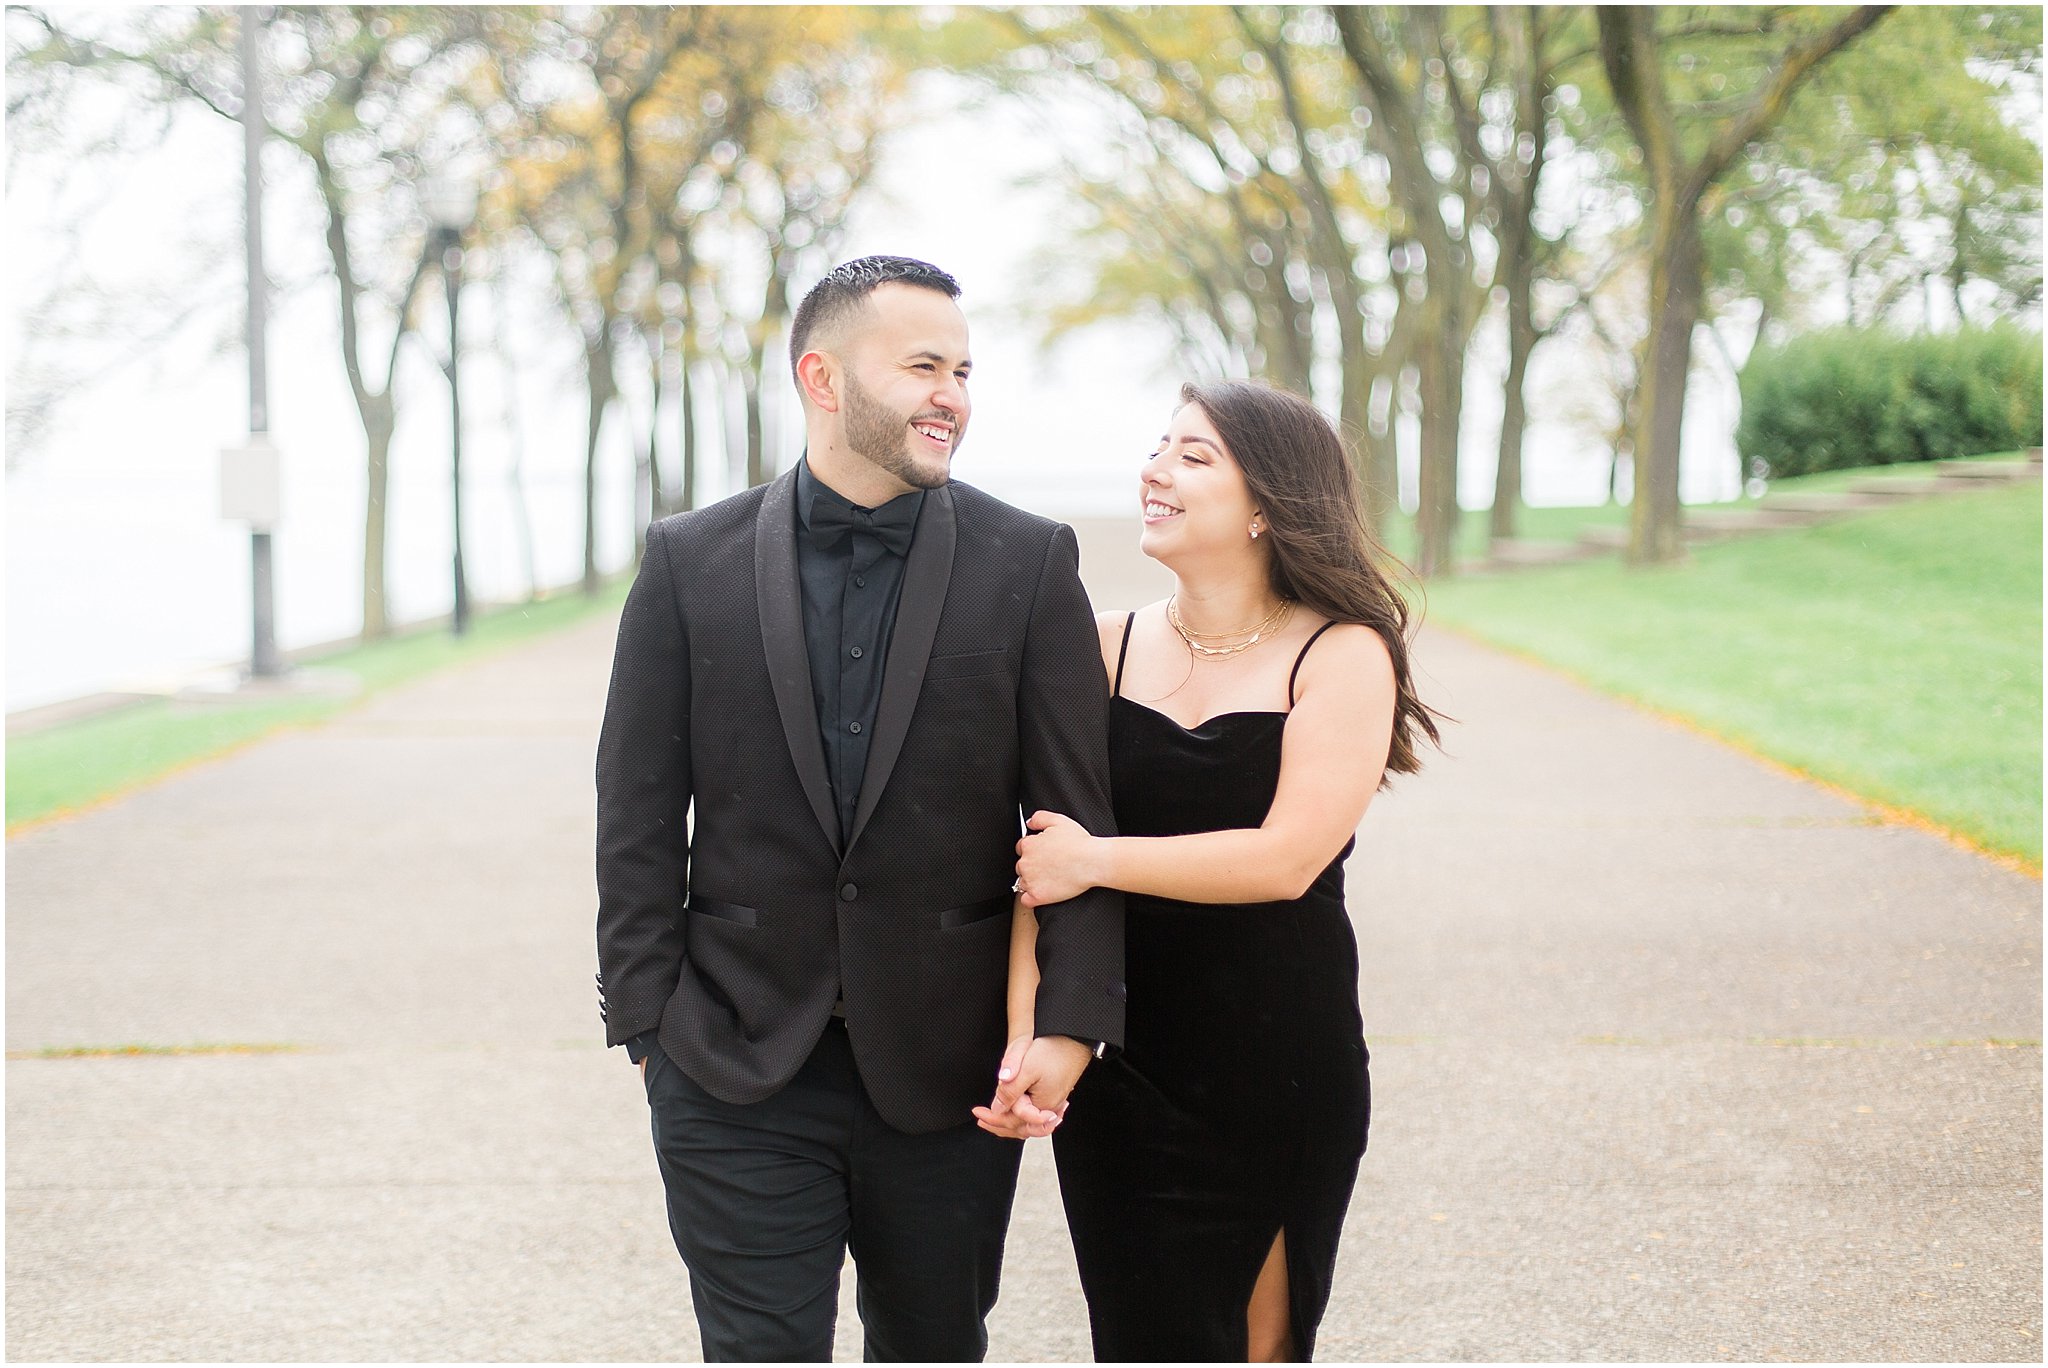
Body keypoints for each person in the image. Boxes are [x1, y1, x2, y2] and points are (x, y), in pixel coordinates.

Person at [595, 255, 1125, 1363]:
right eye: (923, 365)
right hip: (730, 1060)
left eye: (965, 370)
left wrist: (1067, 1025)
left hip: (949, 1072)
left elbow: (1077, 822)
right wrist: (649, 1027)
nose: (953, 395)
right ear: (822, 377)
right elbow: (636, 814)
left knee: (934, 1348)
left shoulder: (1028, 563)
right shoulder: (686, 563)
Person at [995, 379, 1441, 1362]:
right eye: (1158, 448)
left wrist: (1094, 859)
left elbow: (1285, 860)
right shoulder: (1094, 646)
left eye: (1193, 457)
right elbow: (1038, 866)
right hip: (1123, 1067)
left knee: (1258, 1346)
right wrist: (1028, 1029)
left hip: (1279, 1064)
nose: (1154, 471)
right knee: (1141, 1342)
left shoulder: (1341, 653)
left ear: (1266, 506)